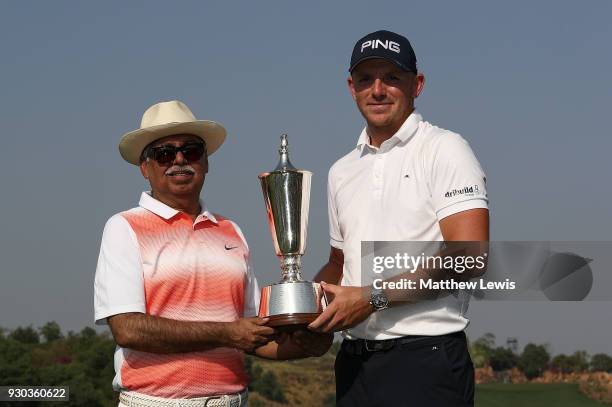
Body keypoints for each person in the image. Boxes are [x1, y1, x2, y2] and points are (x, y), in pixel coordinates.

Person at [94, 100, 331, 407]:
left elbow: (252, 334)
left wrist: (310, 343)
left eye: (191, 150)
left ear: (206, 161)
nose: (179, 160)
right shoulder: (124, 227)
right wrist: (227, 334)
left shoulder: (230, 231)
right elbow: (127, 329)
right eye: (164, 154)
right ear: (145, 167)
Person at [307, 31, 489, 406]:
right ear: (350, 87)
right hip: (354, 364)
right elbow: (340, 263)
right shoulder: (342, 170)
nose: (377, 90)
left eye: (392, 77)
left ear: (416, 84)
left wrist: (372, 298)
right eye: (365, 79)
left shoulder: (445, 149)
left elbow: (471, 256)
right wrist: (301, 304)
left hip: (425, 361)